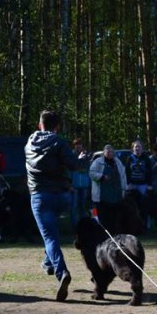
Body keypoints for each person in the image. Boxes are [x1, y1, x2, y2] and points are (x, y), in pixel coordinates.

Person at [24, 109, 88, 301]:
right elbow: (74, 165)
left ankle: (62, 273)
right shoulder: (60, 142)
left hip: (40, 197)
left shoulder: (28, 143)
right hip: (62, 197)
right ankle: (48, 263)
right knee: (51, 234)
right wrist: (83, 158)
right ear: (57, 126)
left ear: (39, 125)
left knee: (50, 236)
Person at [89, 144, 127, 232]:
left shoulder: (118, 162)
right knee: (103, 217)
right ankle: (103, 233)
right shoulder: (97, 162)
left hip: (116, 195)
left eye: (111, 151)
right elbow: (91, 173)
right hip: (102, 196)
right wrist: (102, 176)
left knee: (115, 216)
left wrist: (125, 188)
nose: (110, 153)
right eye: (108, 151)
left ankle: (114, 233)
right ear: (104, 152)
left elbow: (123, 175)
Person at [124, 140, 153, 228]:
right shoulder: (129, 158)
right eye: (135, 147)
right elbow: (127, 172)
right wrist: (128, 183)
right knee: (132, 206)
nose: (137, 148)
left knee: (144, 206)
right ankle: (133, 225)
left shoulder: (146, 158)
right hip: (132, 185)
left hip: (143, 185)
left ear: (142, 149)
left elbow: (150, 172)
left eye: (139, 147)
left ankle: (145, 224)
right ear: (133, 149)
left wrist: (149, 184)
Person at [69, 138, 91, 227]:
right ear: (74, 146)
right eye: (76, 144)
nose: (78, 146)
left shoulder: (86, 156)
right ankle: (75, 227)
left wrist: (89, 183)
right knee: (73, 206)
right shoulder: (70, 155)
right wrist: (70, 184)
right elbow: (69, 169)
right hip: (74, 185)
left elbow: (89, 170)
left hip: (84, 185)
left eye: (80, 144)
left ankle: (83, 226)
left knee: (83, 206)